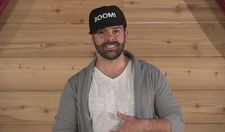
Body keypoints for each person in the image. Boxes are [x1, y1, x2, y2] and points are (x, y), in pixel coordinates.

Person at [54, 5, 184, 132]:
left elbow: (177, 123)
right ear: (92, 39)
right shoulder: (75, 85)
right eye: (101, 32)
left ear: (125, 34)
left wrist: (145, 125)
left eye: (115, 31)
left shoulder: (151, 75)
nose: (110, 38)